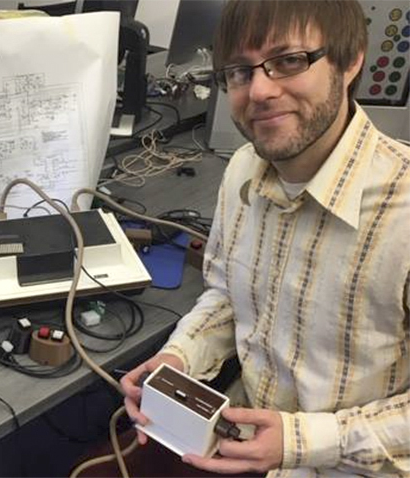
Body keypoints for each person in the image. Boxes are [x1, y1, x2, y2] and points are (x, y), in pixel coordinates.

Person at [121, 1, 410, 477]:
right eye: (238, 71)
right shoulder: (243, 171)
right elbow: (230, 293)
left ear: (350, 59)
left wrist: (301, 443)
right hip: (242, 448)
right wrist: (179, 356)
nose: (258, 89)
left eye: (289, 61)